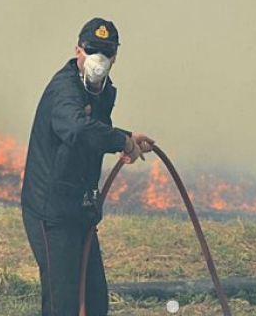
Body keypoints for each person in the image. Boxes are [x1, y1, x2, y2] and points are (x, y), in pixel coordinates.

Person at [21, 17, 155, 316]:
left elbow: (92, 131)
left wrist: (127, 137)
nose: (99, 59)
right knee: (63, 305)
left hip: (79, 208)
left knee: (95, 303)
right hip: (52, 212)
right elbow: (79, 130)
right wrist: (119, 140)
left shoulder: (103, 92)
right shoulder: (64, 89)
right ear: (78, 50)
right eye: (93, 49)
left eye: (106, 52)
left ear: (115, 58)